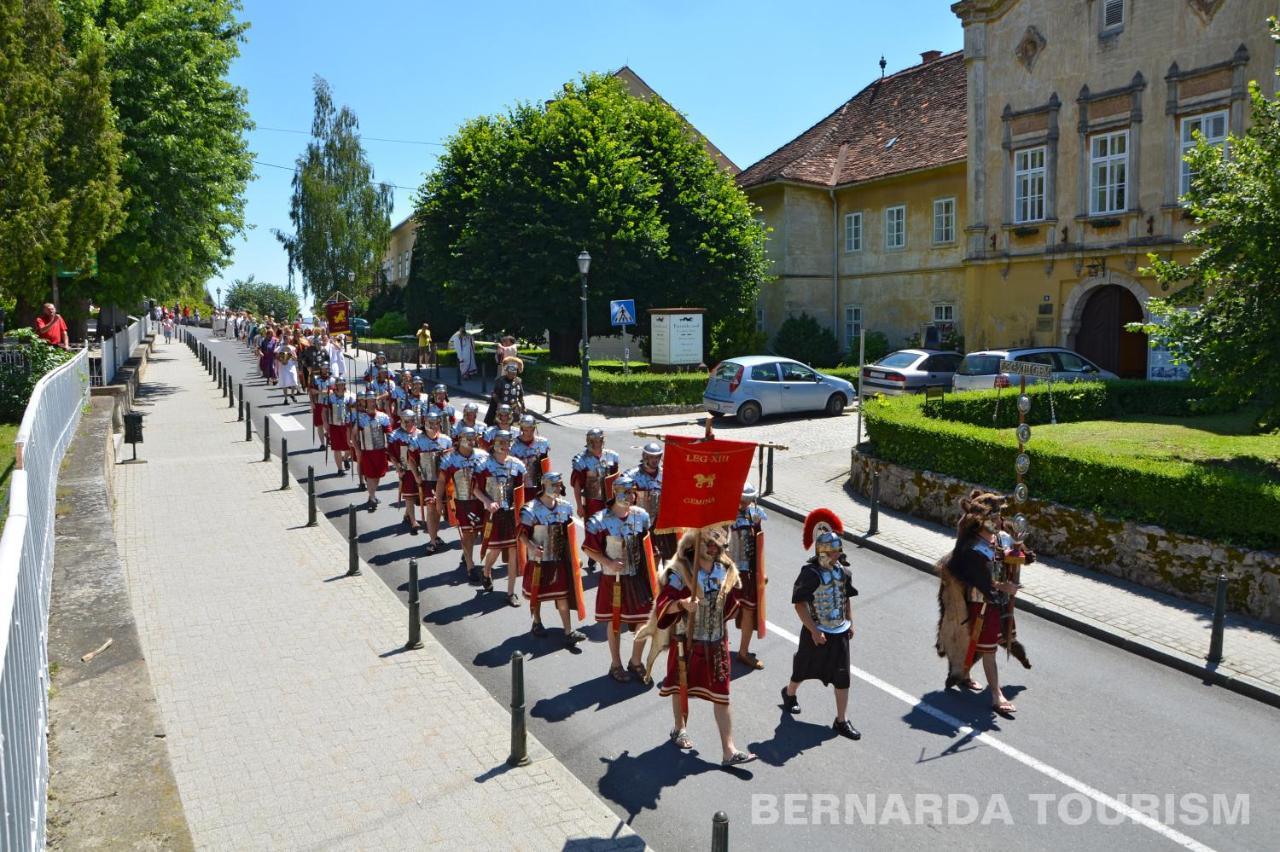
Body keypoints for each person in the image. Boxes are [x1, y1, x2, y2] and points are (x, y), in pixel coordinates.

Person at [652, 525, 756, 766]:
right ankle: (680, 728)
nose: (713, 546)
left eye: (717, 542)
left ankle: (729, 750)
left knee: (722, 696)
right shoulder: (681, 571)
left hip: (717, 641)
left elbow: (730, 603)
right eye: (709, 541)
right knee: (680, 687)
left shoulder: (726, 569)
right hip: (686, 643)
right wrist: (682, 604)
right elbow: (664, 603)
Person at [935, 489, 1031, 717]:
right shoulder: (971, 548)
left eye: (999, 517)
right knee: (988, 649)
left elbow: (1015, 556)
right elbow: (979, 579)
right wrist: (1001, 587)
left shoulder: (1002, 538)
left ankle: (962, 673)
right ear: (981, 522)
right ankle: (997, 695)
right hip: (981, 604)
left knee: (992, 640)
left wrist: (1020, 552)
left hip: (1002, 602)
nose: (999, 522)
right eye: (994, 518)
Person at [780, 508, 861, 740]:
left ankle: (841, 720)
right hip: (816, 630)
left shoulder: (843, 572)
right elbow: (799, 605)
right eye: (833, 551)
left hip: (839, 630)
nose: (837, 555)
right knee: (802, 669)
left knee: (843, 675)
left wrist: (850, 622)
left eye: (838, 551)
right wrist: (814, 630)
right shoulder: (810, 574)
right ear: (823, 551)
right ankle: (789, 693)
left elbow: (846, 597)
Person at [583, 476, 655, 683]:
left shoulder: (641, 516)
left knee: (643, 619)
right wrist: (608, 562)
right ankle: (616, 664)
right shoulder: (600, 520)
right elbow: (588, 548)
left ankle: (636, 660)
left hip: (637, 577)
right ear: (616, 492)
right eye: (626, 492)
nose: (631, 496)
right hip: (613, 578)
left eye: (633, 492)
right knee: (615, 620)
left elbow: (647, 545)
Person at [518, 471, 587, 646]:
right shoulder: (530, 509)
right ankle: (537, 622)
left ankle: (568, 631)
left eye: (559, 485)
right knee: (537, 594)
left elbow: (568, 535)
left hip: (557, 558)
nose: (558, 488)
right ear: (544, 485)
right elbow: (521, 534)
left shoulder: (565, 507)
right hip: (538, 559)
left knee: (562, 593)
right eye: (554, 485)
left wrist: (574, 558)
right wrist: (532, 547)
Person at [474, 429, 527, 602]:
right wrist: (488, 502)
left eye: (507, 443)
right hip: (493, 514)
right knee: (495, 549)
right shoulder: (483, 465)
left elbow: (521, 492)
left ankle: (510, 593)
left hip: (512, 515)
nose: (505, 447)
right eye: (501, 443)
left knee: (513, 551)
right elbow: (475, 489)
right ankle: (486, 570)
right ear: (494, 444)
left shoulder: (517, 465)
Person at [440, 426, 489, 581]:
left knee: (476, 533)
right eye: (467, 438)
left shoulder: (483, 456)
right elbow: (442, 481)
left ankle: (466, 554)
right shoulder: (450, 459)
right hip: (462, 502)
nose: (470, 441)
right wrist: (439, 501)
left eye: (472, 438)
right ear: (460, 439)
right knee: (468, 533)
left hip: (481, 501)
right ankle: (470, 566)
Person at [729, 484, 768, 669]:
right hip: (728, 571)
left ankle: (743, 653)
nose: (744, 503)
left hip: (749, 572)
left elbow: (759, 544)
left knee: (749, 610)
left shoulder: (755, 514)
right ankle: (710, 650)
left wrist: (762, 572)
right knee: (721, 611)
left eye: (748, 500)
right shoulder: (724, 515)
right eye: (742, 499)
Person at [572, 428, 619, 573]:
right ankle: (593, 554)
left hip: (610, 500)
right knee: (593, 529)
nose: (597, 444)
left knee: (609, 528)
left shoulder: (612, 456)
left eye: (599, 440)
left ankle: (606, 556)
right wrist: (579, 505)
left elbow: (617, 479)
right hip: (593, 500)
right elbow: (577, 484)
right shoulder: (581, 460)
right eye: (593, 441)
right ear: (588, 441)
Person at [625, 442, 678, 565]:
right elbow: (620, 492)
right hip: (642, 521)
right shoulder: (632, 475)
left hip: (663, 520)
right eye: (651, 457)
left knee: (670, 553)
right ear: (645, 456)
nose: (655, 460)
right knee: (645, 556)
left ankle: (668, 581)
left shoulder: (666, 473)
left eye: (657, 457)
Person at [410, 410, 452, 554]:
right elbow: (411, 460)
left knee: (439, 510)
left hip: (442, 481)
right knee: (431, 508)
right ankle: (433, 541)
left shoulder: (446, 440)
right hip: (427, 480)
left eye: (437, 423)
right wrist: (416, 475)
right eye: (431, 423)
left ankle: (434, 535)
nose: (434, 426)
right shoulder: (417, 440)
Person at [351, 391, 392, 511]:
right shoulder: (361, 418)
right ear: (365, 403)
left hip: (380, 451)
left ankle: (371, 495)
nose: (372, 404)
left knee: (378, 475)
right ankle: (373, 497)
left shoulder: (383, 417)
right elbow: (354, 435)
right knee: (369, 475)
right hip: (367, 451)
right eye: (369, 402)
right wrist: (357, 449)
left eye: (374, 401)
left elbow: (389, 433)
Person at [389, 410, 424, 534]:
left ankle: (407, 514)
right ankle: (413, 521)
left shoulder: (420, 434)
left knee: (416, 495)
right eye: (407, 421)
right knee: (409, 496)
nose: (410, 424)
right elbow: (391, 454)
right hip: (405, 470)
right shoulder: (395, 435)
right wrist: (398, 467)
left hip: (420, 469)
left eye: (412, 421)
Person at [510, 415, 550, 494]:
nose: (529, 433)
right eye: (526, 430)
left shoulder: (542, 443)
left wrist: (548, 485)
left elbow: (545, 466)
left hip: (537, 485)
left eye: (531, 430)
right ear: (522, 429)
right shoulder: (513, 445)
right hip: (518, 485)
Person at [485, 357, 525, 423]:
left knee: (514, 426)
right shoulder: (500, 380)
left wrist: (523, 406)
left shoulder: (518, 381)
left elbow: (520, 396)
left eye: (514, 373)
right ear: (507, 372)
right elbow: (495, 395)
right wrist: (500, 404)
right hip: (502, 409)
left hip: (514, 409)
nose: (512, 375)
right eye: (510, 373)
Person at [309, 363, 333, 448]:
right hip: (319, 403)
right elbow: (311, 391)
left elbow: (337, 391)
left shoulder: (332, 380)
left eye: (327, 368)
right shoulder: (316, 379)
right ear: (321, 369)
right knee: (319, 424)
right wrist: (312, 402)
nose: (325, 370)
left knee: (330, 424)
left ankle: (329, 435)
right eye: (323, 368)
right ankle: (322, 443)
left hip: (330, 404)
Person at [277, 339, 300, 404]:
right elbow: (276, 356)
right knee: (285, 382)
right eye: (285, 339)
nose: (286, 340)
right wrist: (282, 361)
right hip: (283, 366)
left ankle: (292, 394)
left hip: (291, 365)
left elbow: (295, 357)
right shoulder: (279, 348)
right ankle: (285, 399)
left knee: (294, 380)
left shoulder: (292, 348)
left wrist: (292, 356)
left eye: (287, 339)